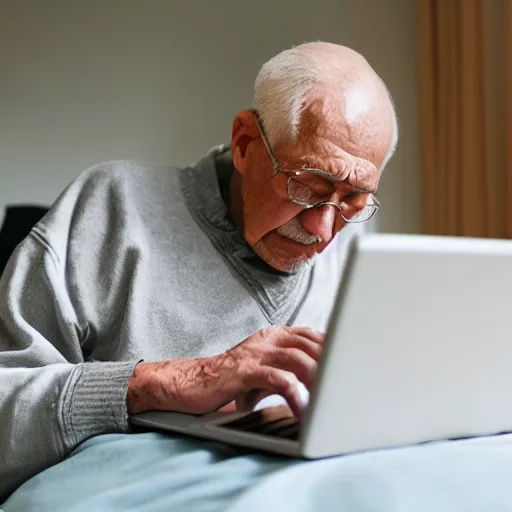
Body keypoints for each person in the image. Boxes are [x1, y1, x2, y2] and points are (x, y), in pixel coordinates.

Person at [0, 41, 398, 500]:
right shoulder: (109, 210)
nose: (324, 228)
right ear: (245, 142)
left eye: (354, 200)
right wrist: (162, 383)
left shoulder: (356, 250)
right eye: (307, 187)